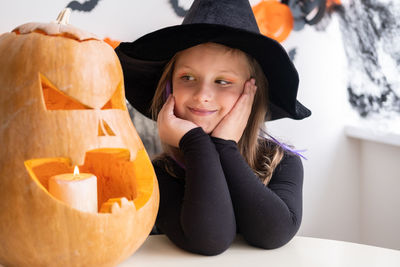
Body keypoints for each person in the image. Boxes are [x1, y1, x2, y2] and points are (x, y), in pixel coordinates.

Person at [116, 0, 311, 256]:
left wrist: (225, 147)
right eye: (187, 78)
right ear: (168, 89)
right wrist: (196, 143)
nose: (202, 95)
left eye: (222, 81)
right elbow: (209, 239)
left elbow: (274, 232)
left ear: (250, 95)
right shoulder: (159, 175)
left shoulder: (281, 162)